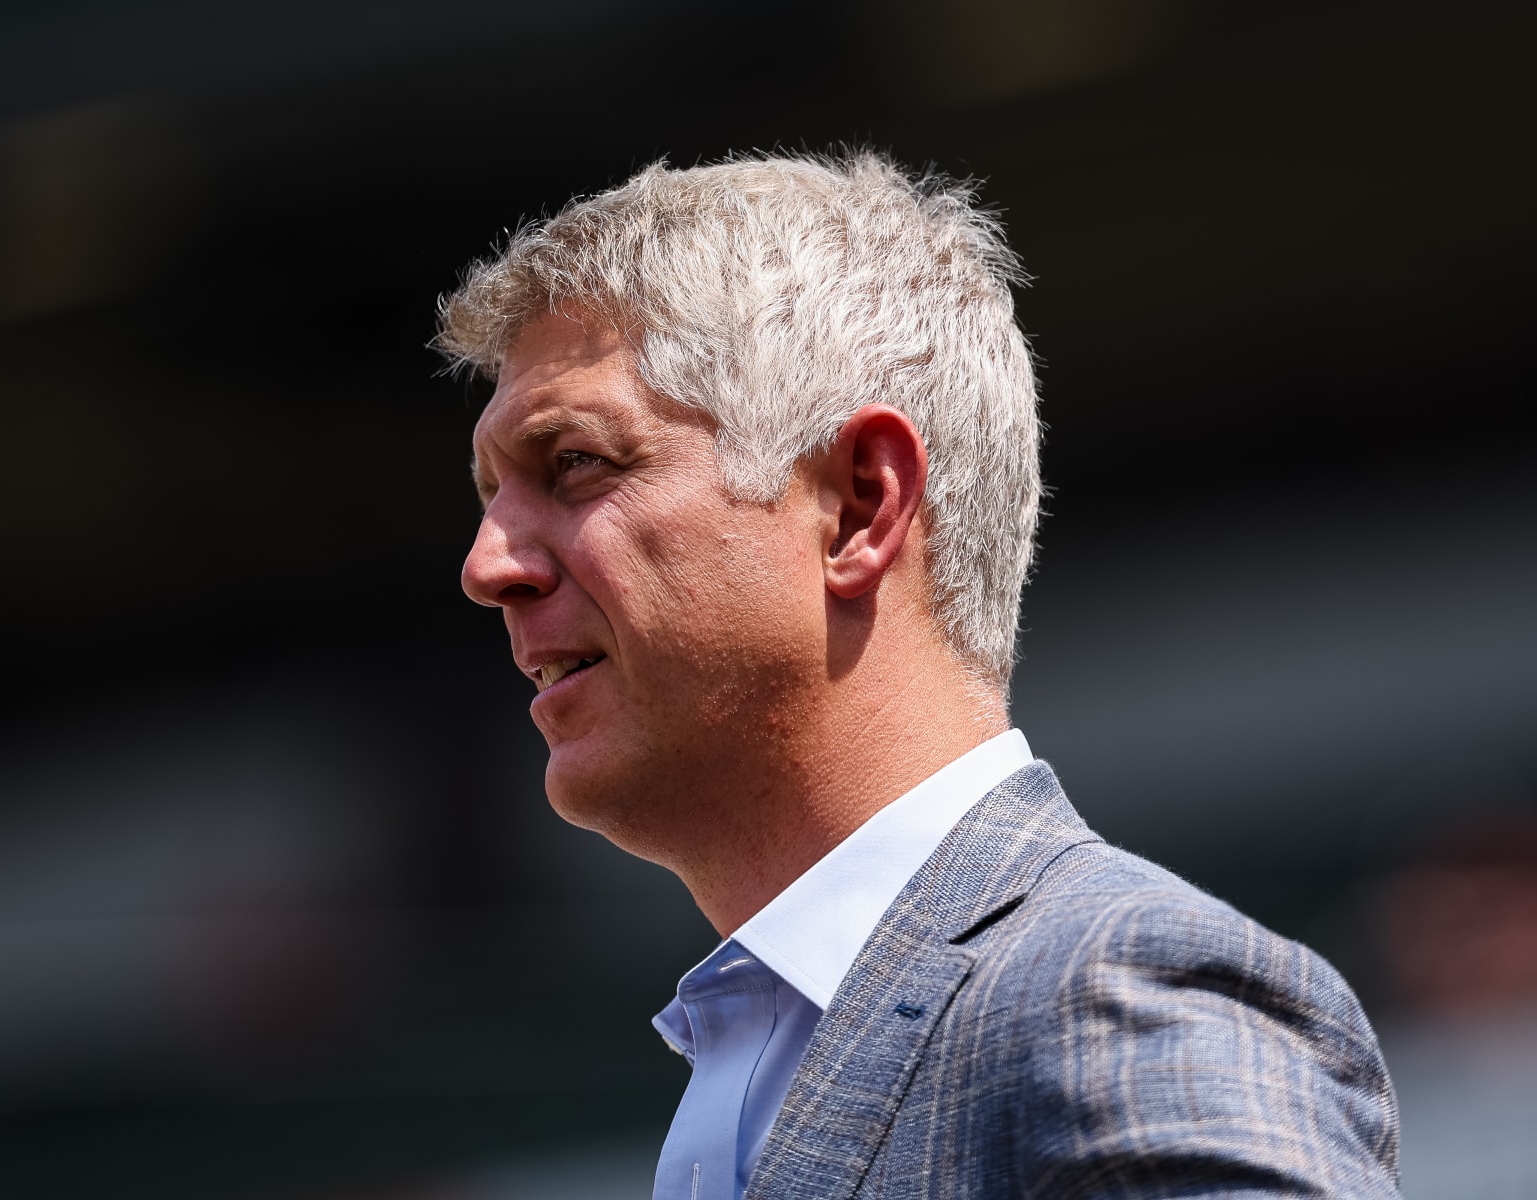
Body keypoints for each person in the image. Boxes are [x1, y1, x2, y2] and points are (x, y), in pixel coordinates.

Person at [440, 153, 1400, 1200]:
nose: (488, 567)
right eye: (492, 495)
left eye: (575, 463)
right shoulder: (766, 1052)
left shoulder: (1111, 992)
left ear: (858, 506)